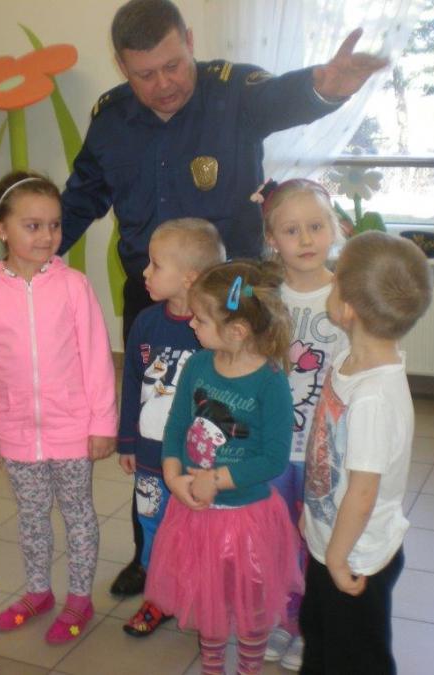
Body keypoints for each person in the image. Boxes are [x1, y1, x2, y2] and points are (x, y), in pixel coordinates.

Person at [60, 0, 386, 595]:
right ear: (122, 68)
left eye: (173, 65)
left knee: (233, 426)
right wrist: (36, 252)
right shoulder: (111, 118)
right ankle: (153, 552)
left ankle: (244, 549)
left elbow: (284, 97)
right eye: (144, 74)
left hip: (233, 304)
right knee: (160, 427)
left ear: (189, 41)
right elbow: (81, 196)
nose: (163, 84)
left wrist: (325, 87)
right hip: (154, 298)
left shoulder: (232, 90)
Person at [0, 171, 118, 645]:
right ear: (1, 229)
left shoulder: (73, 286)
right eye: (32, 226)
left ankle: (79, 597)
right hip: (14, 430)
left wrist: (102, 422)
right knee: (31, 517)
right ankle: (38, 591)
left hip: (72, 427)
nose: (47, 236)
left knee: (78, 514)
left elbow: (96, 357)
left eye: (54, 225)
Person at [145, 260, 303, 675]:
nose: (192, 324)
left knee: (252, 607)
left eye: (200, 319)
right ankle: (212, 667)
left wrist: (216, 479)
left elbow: (274, 457)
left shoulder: (270, 381)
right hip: (196, 516)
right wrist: (173, 475)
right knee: (207, 601)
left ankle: (248, 668)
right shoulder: (198, 365)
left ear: (237, 331)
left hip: (248, 517)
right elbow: (177, 425)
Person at [300, 231, 433, 674]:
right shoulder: (348, 360)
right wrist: (314, 517)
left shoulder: (374, 397)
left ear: (347, 308)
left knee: (357, 659)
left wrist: (338, 558)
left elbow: (362, 492)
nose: (329, 280)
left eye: (335, 277)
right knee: (319, 637)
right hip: (331, 539)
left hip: (356, 557)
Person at [251, 179, 349, 671]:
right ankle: (281, 618)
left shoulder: (348, 297)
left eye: (315, 226)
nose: (306, 239)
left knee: (317, 539)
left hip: (324, 449)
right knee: (275, 538)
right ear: (272, 239)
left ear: (334, 229)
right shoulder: (264, 299)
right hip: (272, 448)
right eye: (292, 230)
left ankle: (311, 624)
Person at [116, 218, 226, 638]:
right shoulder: (145, 322)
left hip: (197, 463)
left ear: (189, 277)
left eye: (155, 264)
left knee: (198, 530)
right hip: (149, 455)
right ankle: (158, 597)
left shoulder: (212, 331)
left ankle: (201, 594)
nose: (145, 272)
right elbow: (132, 381)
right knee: (152, 525)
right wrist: (127, 440)